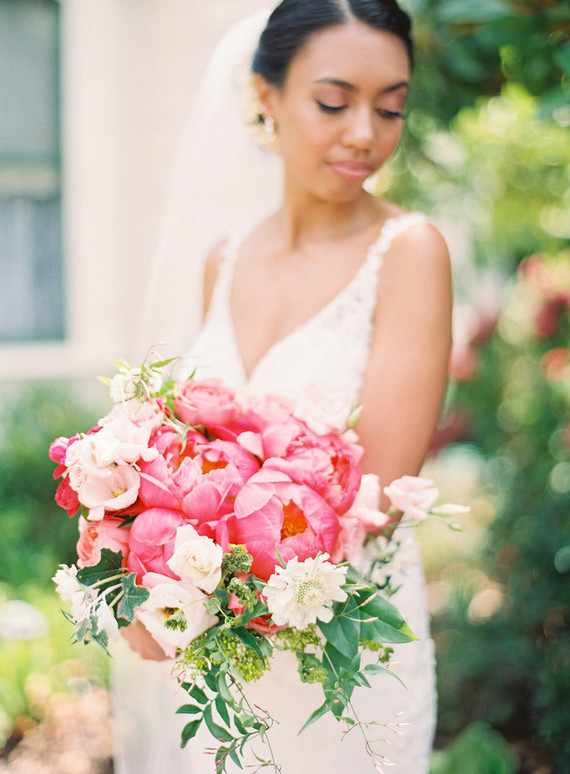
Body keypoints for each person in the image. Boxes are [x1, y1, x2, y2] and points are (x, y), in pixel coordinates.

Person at [114, 1, 452, 772]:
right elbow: (184, 459)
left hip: (341, 663)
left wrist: (201, 588)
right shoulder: (223, 259)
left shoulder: (410, 253)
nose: (366, 132)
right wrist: (142, 560)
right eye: (334, 102)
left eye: (391, 106)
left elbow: (379, 498)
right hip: (212, 666)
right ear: (265, 96)